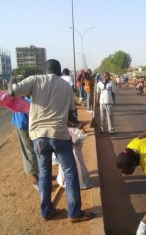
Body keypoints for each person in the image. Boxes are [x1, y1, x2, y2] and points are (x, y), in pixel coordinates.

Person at [8, 59, 92, 222]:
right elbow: (71, 117)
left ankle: (47, 211)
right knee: (71, 174)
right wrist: (77, 125)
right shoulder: (66, 87)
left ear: (44, 70)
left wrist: (12, 79)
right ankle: (74, 213)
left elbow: (12, 92)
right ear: (60, 72)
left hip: (39, 138)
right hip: (60, 136)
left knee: (45, 175)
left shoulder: (34, 80)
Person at [12, 96, 39, 191]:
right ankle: (37, 180)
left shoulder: (25, 97)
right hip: (24, 126)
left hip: (27, 124)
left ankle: (42, 175)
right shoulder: (24, 98)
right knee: (30, 152)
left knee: (37, 150)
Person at [57, 123, 93, 190]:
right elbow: (83, 135)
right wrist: (81, 129)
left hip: (64, 155)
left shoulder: (60, 130)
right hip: (76, 154)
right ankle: (81, 183)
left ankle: (65, 182)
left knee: (65, 169)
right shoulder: (75, 130)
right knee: (79, 169)